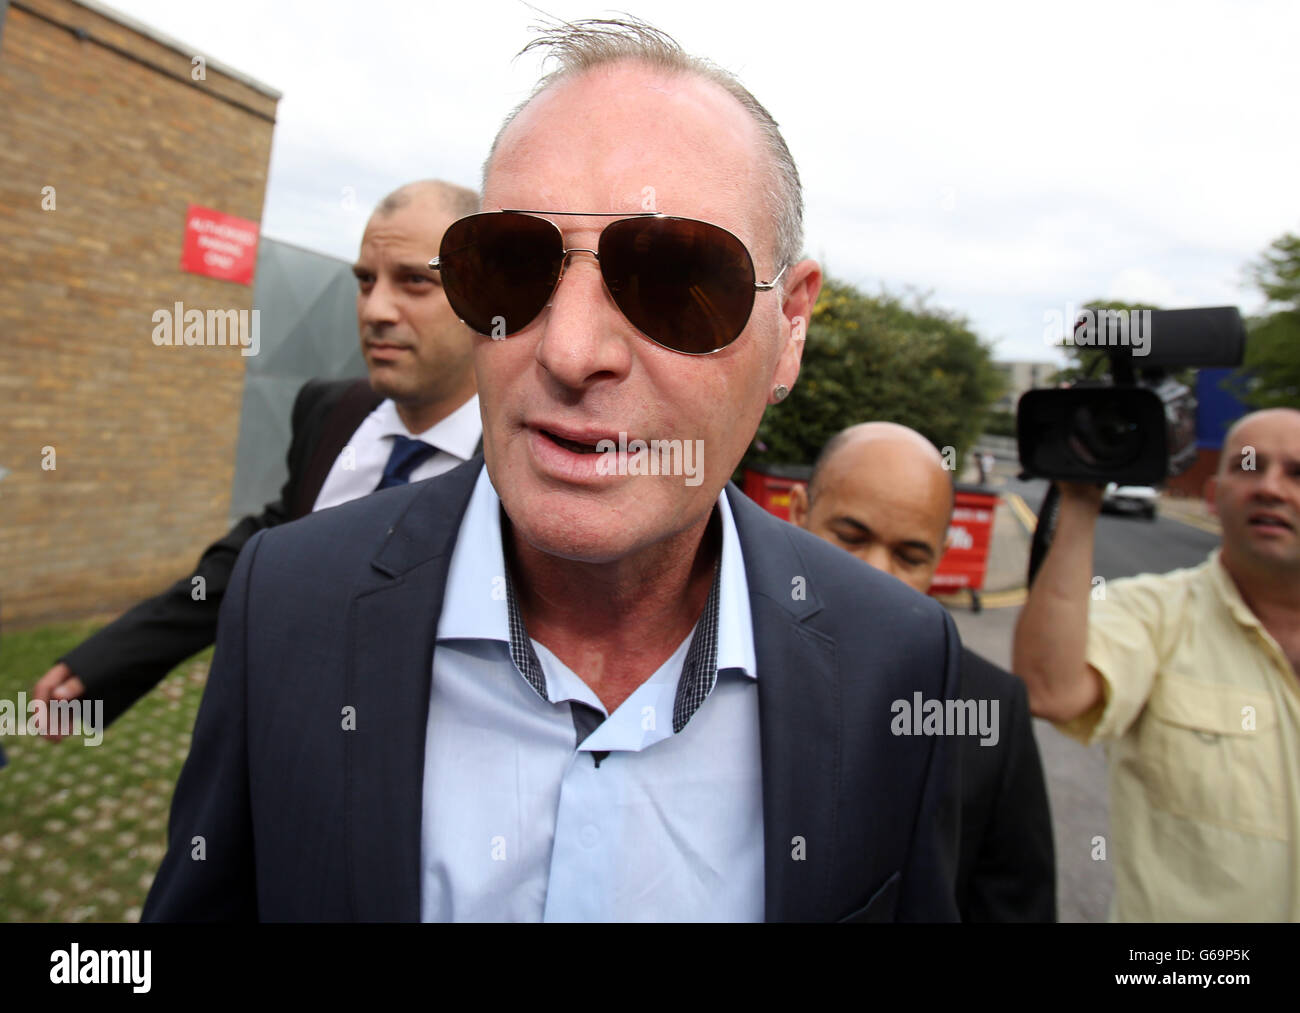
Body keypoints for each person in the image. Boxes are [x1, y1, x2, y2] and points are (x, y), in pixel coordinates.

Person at [142, 17, 963, 923]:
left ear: (791, 328)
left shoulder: (900, 661)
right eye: (513, 268)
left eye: (673, 280)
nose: (571, 352)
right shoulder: (287, 606)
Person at [32, 180, 482, 734]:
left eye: (415, 281)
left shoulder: (517, 468)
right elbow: (262, 550)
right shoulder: (331, 410)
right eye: (364, 281)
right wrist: (113, 660)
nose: (376, 309)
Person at [1013, 407, 1300, 921]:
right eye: (1250, 467)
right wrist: (1079, 500)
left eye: (1297, 474)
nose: (1272, 489)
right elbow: (1048, 690)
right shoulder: (1152, 615)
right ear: (1213, 495)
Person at [790, 422, 1056, 921]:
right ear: (800, 514)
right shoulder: (715, 662)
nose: (876, 576)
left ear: (940, 560)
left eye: (910, 557)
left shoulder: (990, 713)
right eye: (851, 538)